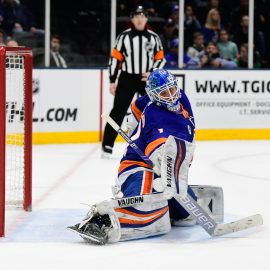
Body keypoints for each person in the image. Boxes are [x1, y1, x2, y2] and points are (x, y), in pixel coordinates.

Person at [68, 69, 224, 244]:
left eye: (172, 89)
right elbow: (159, 152)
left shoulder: (182, 98)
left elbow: (139, 104)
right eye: (164, 93)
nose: (171, 95)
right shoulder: (155, 116)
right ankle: (100, 221)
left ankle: (158, 202)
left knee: (184, 213)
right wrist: (167, 171)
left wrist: (133, 121)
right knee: (141, 205)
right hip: (137, 166)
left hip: (165, 172)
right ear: (155, 96)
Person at [102, 6, 166, 157]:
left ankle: (154, 144)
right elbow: (115, 59)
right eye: (136, 16)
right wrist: (112, 80)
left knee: (151, 111)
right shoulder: (123, 37)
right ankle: (107, 146)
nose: (139, 19)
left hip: (147, 80)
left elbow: (161, 59)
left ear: (146, 19)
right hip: (127, 78)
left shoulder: (153, 37)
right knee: (118, 111)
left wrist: (152, 73)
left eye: (142, 16)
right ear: (132, 19)